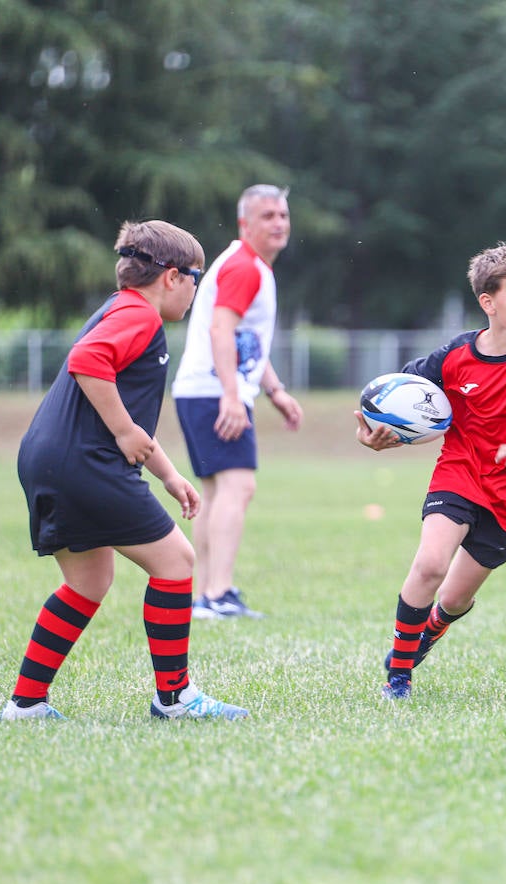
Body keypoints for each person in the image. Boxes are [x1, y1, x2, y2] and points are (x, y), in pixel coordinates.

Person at [2, 219, 247, 721]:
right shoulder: (140, 316)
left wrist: (169, 475)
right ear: (173, 277)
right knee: (177, 563)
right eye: (196, 279)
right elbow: (87, 360)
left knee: (88, 582)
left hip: (50, 457)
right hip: (84, 462)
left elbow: (130, 423)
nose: (196, 292)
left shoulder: (120, 309)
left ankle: (25, 704)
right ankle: (175, 698)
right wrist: (121, 431)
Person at [355, 244, 506, 700]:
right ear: (488, 302)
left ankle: (432, 628)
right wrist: (372, 432)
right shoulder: (452, 357)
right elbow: (398, 398)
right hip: (460, 475)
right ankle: (399, 677)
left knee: (454, 599)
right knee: (429, 566)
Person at [173, 184, 304, 621]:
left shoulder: (248, 266)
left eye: (283, 215)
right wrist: (232, 395)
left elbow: (245, 340)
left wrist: (275, 390)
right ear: (244, 223)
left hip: (204, 391)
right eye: (267, 216)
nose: (279, 223)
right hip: (214, 393)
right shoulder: (246, 267)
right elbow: (221, 331)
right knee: (237, 487)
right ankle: (218, 594)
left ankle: (207, 595)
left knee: (216, 493)